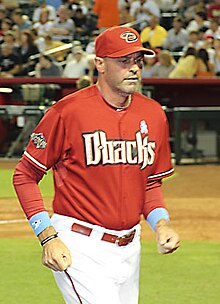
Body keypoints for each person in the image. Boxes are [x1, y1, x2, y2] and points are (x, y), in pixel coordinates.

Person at [13, 25, 180, 304]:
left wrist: (161, 223)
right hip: (80, 247)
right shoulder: (67, 112)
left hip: (130, 248)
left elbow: (150, 181)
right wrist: (47, 236)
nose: (134, 68)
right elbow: (24, 175)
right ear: (99, 64)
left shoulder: (153, 114)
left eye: (138, 60)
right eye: (123, 61)